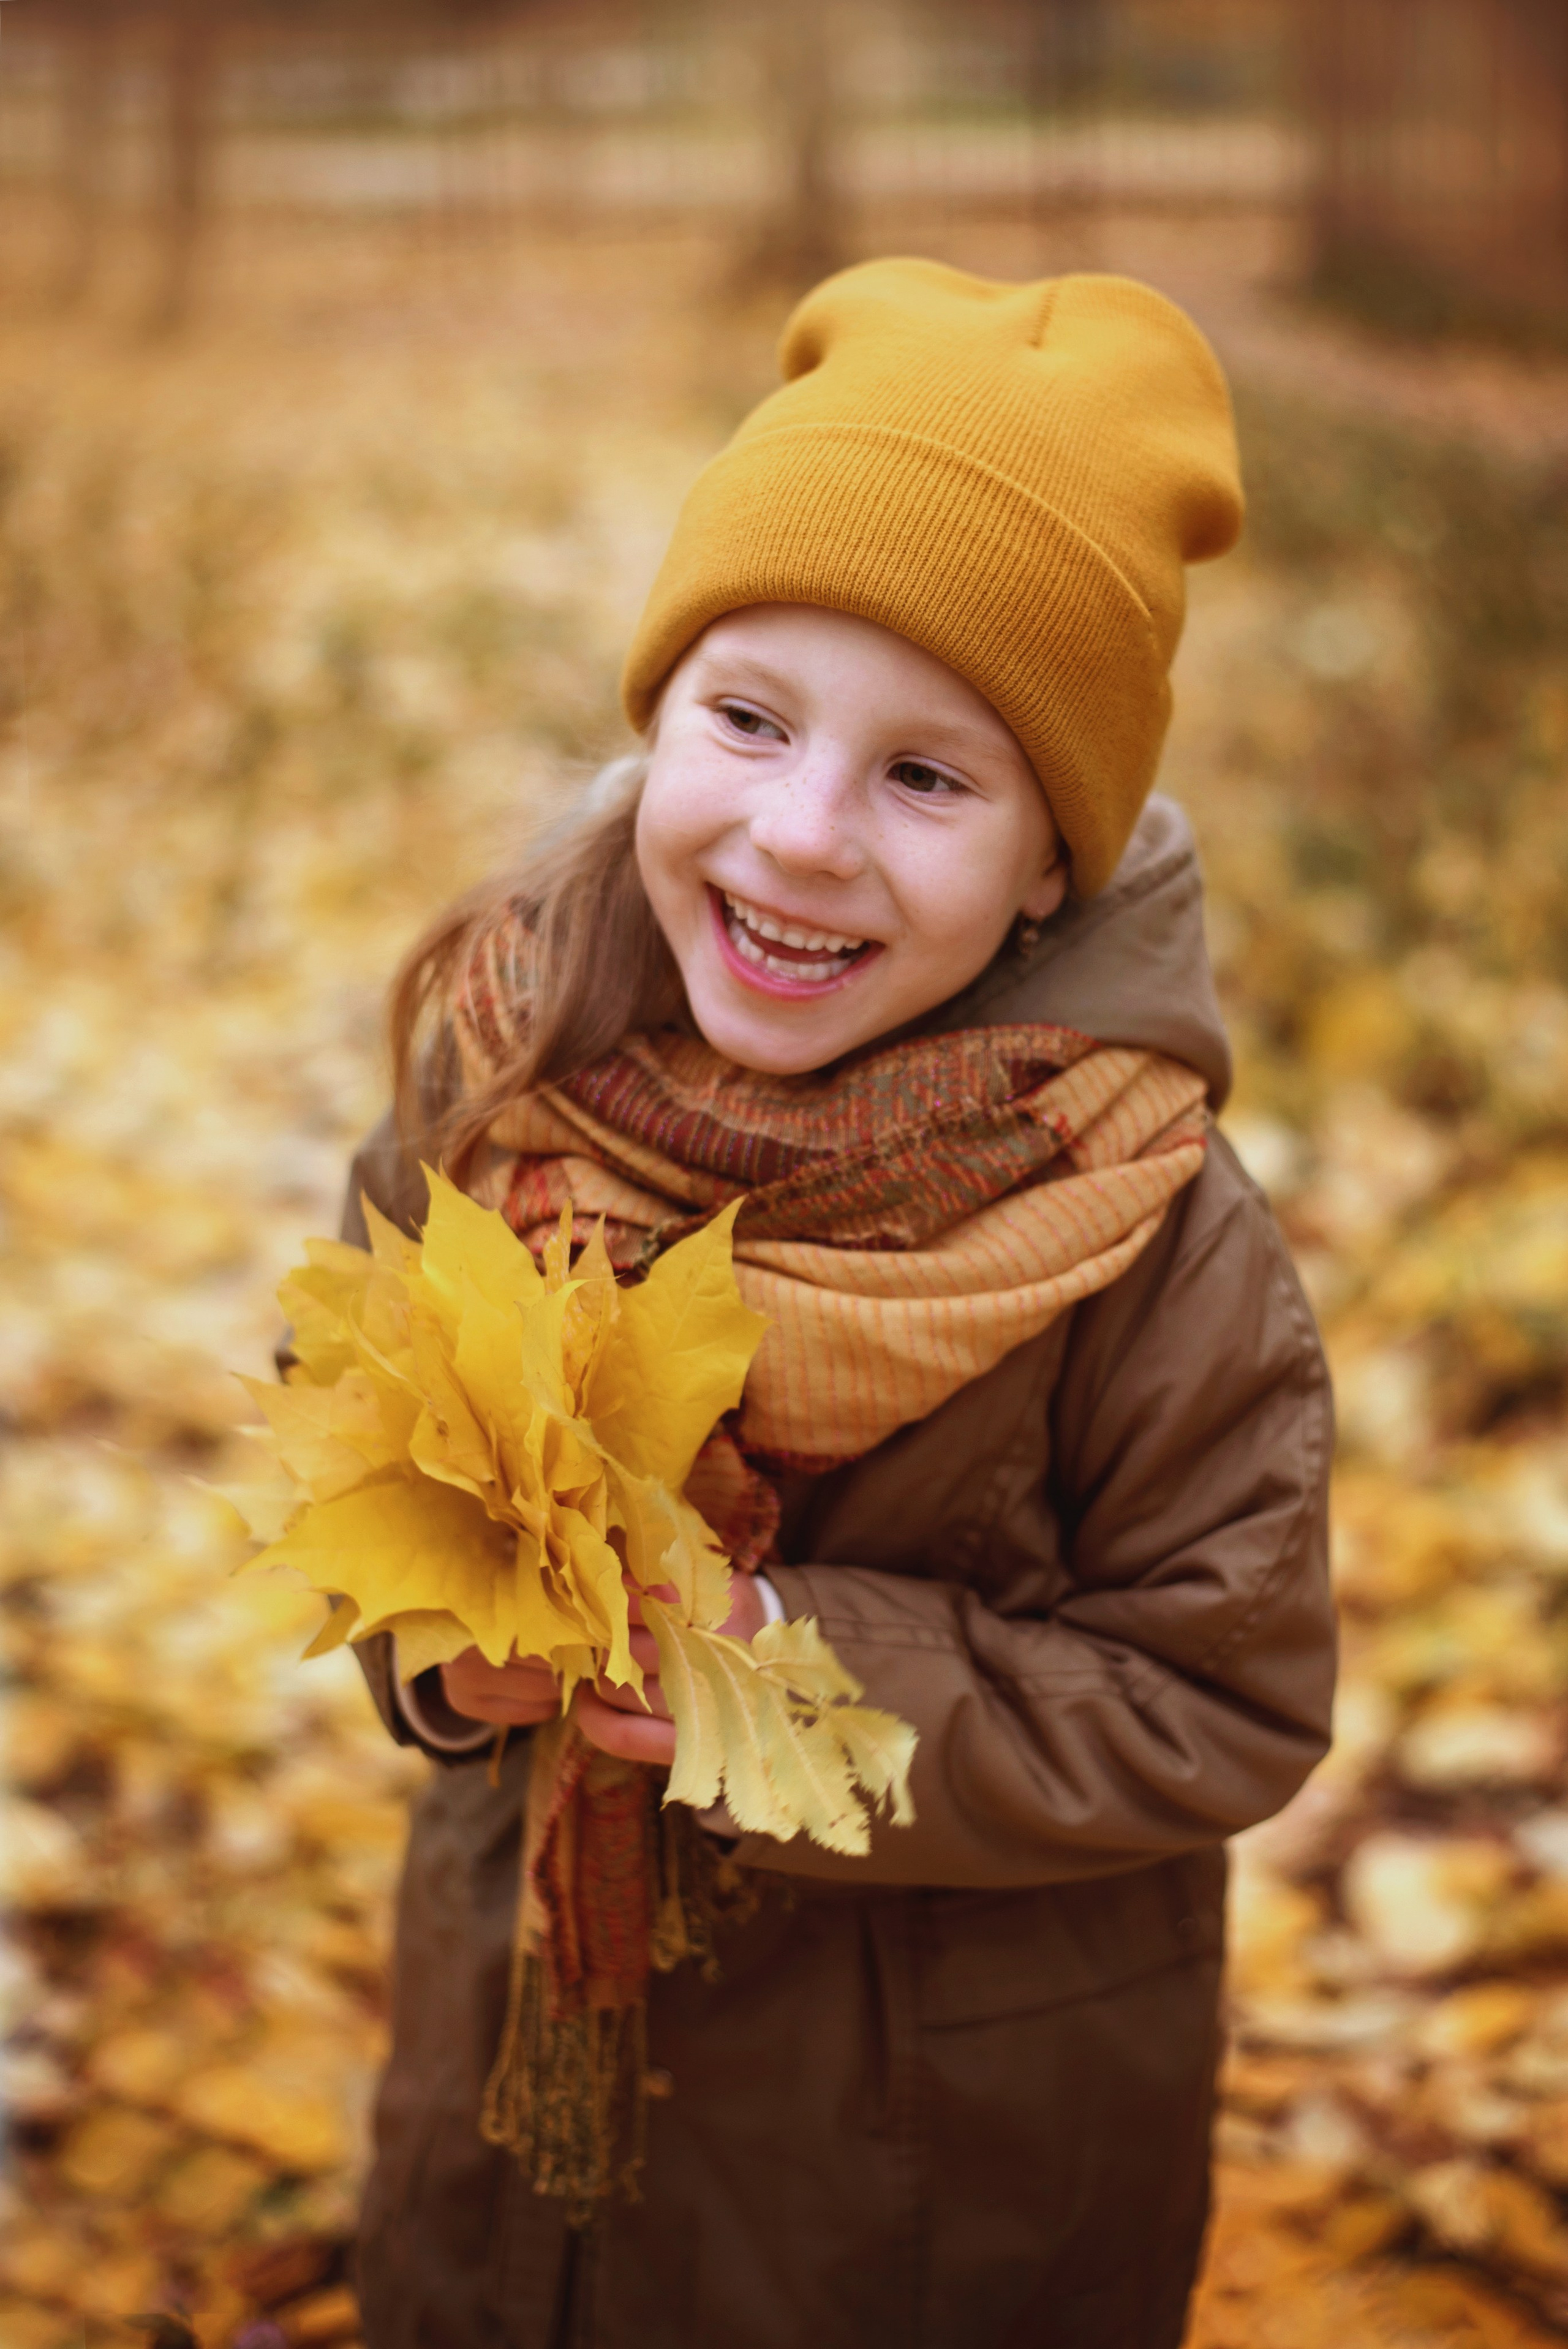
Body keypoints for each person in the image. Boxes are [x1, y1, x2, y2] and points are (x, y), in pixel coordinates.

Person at [338, 258, 1335, 2349]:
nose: (800, 839)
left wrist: (786, 1667)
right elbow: (360, 1468)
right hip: (520, 2134)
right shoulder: (506, 1084)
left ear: (1052, 860)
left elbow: (1221, 1692)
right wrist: (447, 1655)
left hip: (928, 2206)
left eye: (929, 779)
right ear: (661, 711)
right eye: (753, 718)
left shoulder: (1141, 1226)